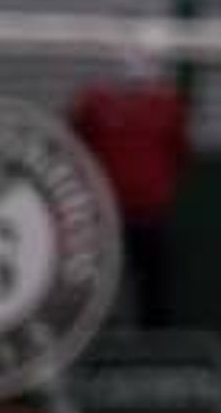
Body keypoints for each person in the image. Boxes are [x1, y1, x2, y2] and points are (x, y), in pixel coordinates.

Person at [68, 44, 190, 328]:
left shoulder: (168, 106)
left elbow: (180, 155)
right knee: (101, 291)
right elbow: (76, 146)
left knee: (155, 290)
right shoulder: (93, 105)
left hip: (150, 216)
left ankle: (156, 352)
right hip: (105, 219)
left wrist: (157, 193)